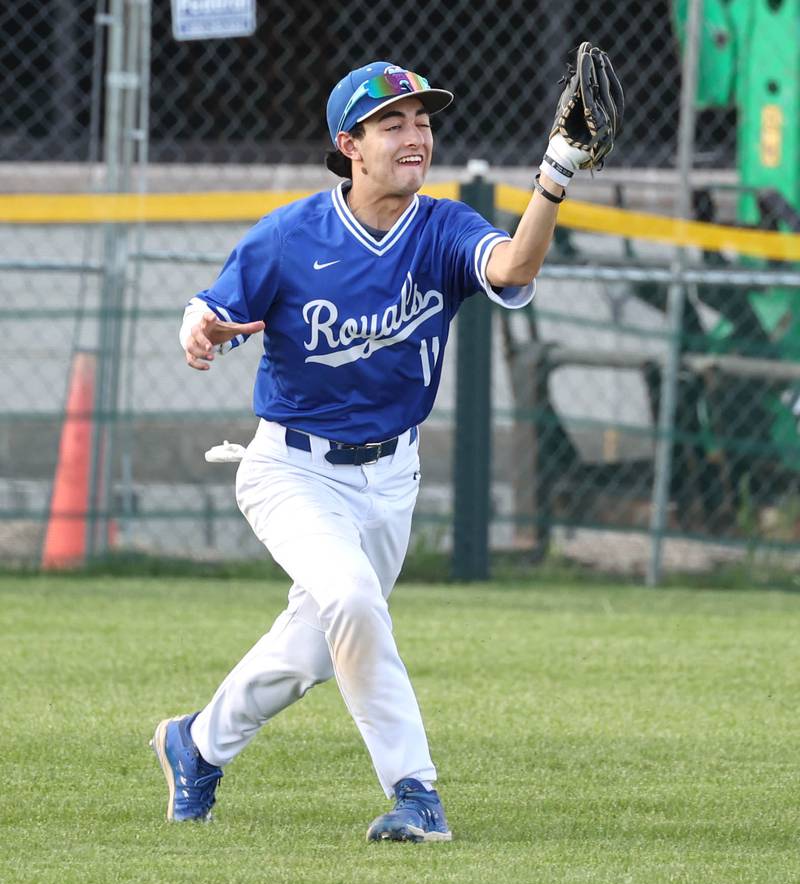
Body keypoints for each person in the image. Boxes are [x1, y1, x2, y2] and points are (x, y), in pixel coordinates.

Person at [152, 60, 591, 842]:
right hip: (290, 466)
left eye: (422, 121)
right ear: (349, 143)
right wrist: (202, 329)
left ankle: (196, 743)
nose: (415, 136)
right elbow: (209, 309)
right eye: (394, 124)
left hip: (392, 477)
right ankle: (416, 791)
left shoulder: (444, 228)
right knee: (352, 598)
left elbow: (515, 266)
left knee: (314, 649)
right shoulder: (291, 234)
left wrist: (554, 175)